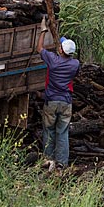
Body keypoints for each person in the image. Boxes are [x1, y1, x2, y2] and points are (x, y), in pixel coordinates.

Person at [36, 17, 80, 170]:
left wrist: (43, 30)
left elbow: (40, 49)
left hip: (52, 101)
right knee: (63, 132)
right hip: (66, 102)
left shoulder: (53, 61)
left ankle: (48, 160)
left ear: (61, 50)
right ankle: (62, 163)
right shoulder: (75, 64)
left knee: (49, 131)